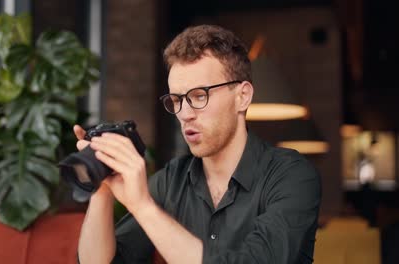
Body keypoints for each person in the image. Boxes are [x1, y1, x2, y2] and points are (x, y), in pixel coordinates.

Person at [75, 25, 321, 264]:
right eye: (176, 100)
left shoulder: (292, 175)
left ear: (242, 97)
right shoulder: (171, 181)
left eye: (199, 96)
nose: (185, 114)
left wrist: (143, 206)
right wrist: (102, 187)